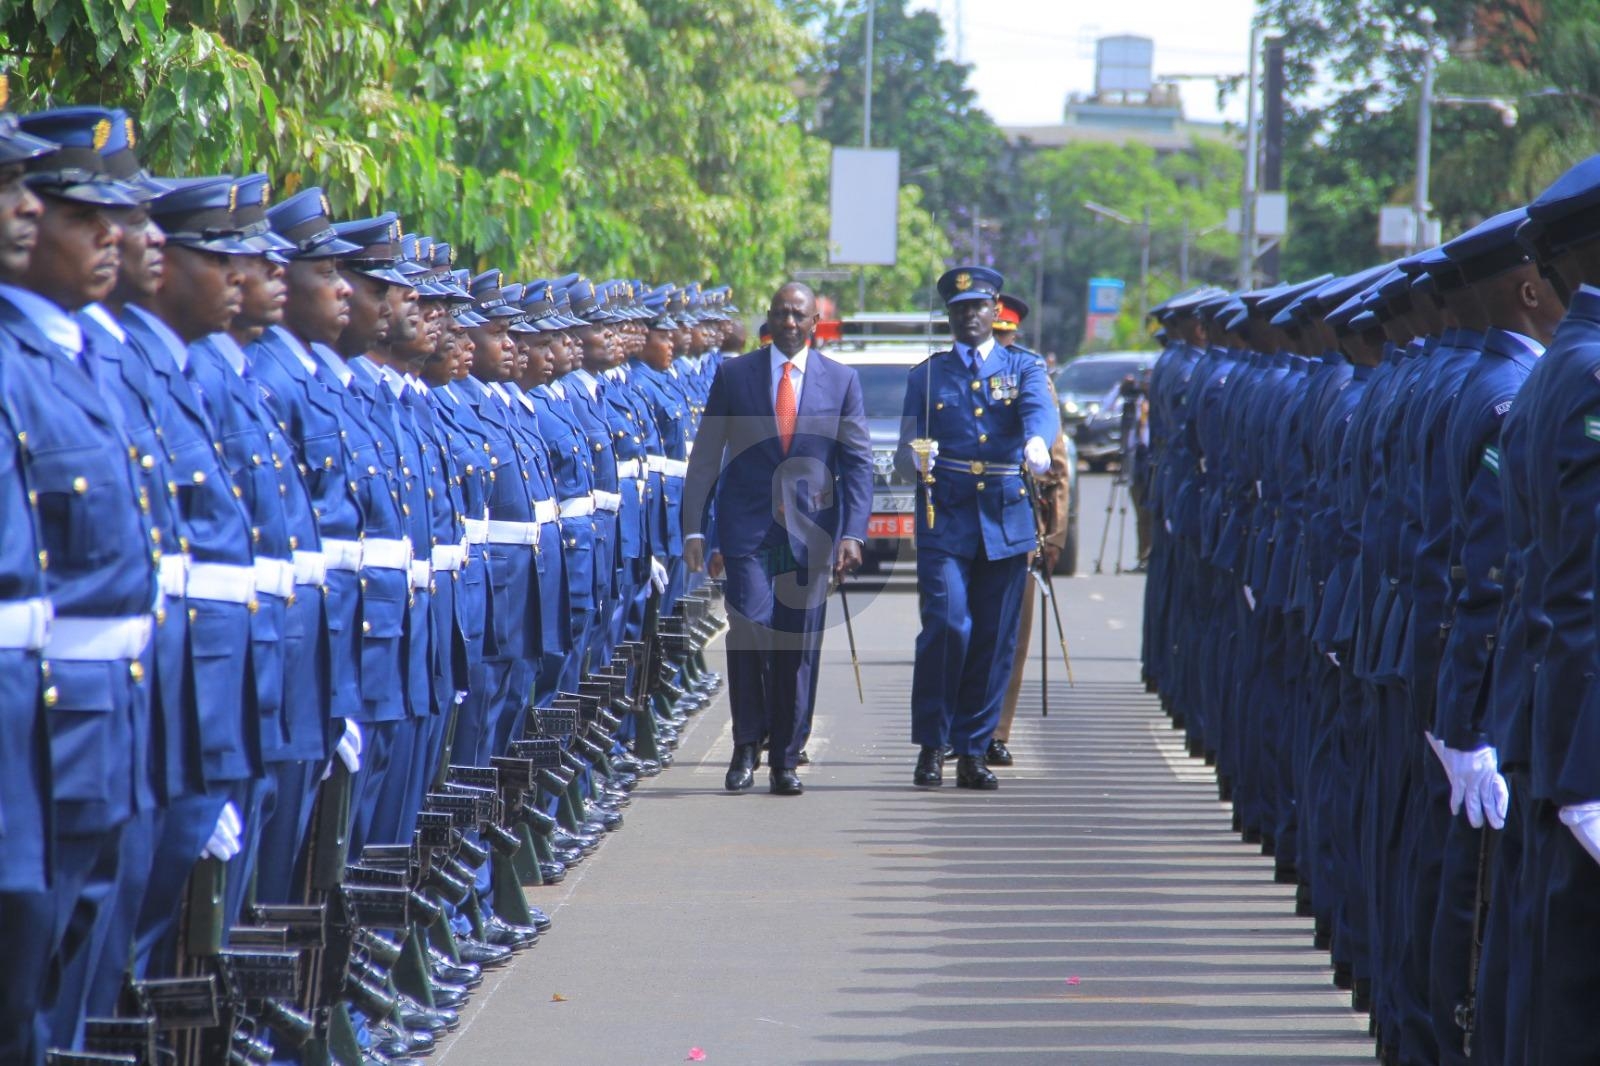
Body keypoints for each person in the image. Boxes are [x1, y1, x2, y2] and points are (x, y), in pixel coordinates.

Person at [681, 281, 872, 796]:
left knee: (796, 646)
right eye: (782, 313)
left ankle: (785, 757)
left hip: (811, 536)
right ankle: (747, 744)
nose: (789, 323)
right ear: (769, 318)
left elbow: (857, 463)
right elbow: (706, 455)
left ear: (814, 323)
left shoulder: (842, 381)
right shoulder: (735, 375)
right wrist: (695, 527)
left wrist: (853, 533)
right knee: (749, 632)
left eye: (798, 315)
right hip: (747, 532)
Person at [896, 267, 1059, 790]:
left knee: (993, 638)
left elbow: (1038, 411)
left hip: (1005, 518)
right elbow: (906, 443)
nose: (969, 316)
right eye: (959, 308)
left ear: (995, 311)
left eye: (978, 307)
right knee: (947, 625)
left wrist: (1037, 442)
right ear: (949, 316)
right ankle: (932, 743)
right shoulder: (927, 375)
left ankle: (971, 750)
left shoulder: (1022, 366)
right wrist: (915, 457)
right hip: (946, 516)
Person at [991, 292, 1070, 767]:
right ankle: (962, 725)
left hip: (1019, 520)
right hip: (968, 520)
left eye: (1004, 336)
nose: (998, 343)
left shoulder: (1032, 377)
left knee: (1013, 635)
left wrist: (1054, 536)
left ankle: (997, 731)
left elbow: (1055, 467)